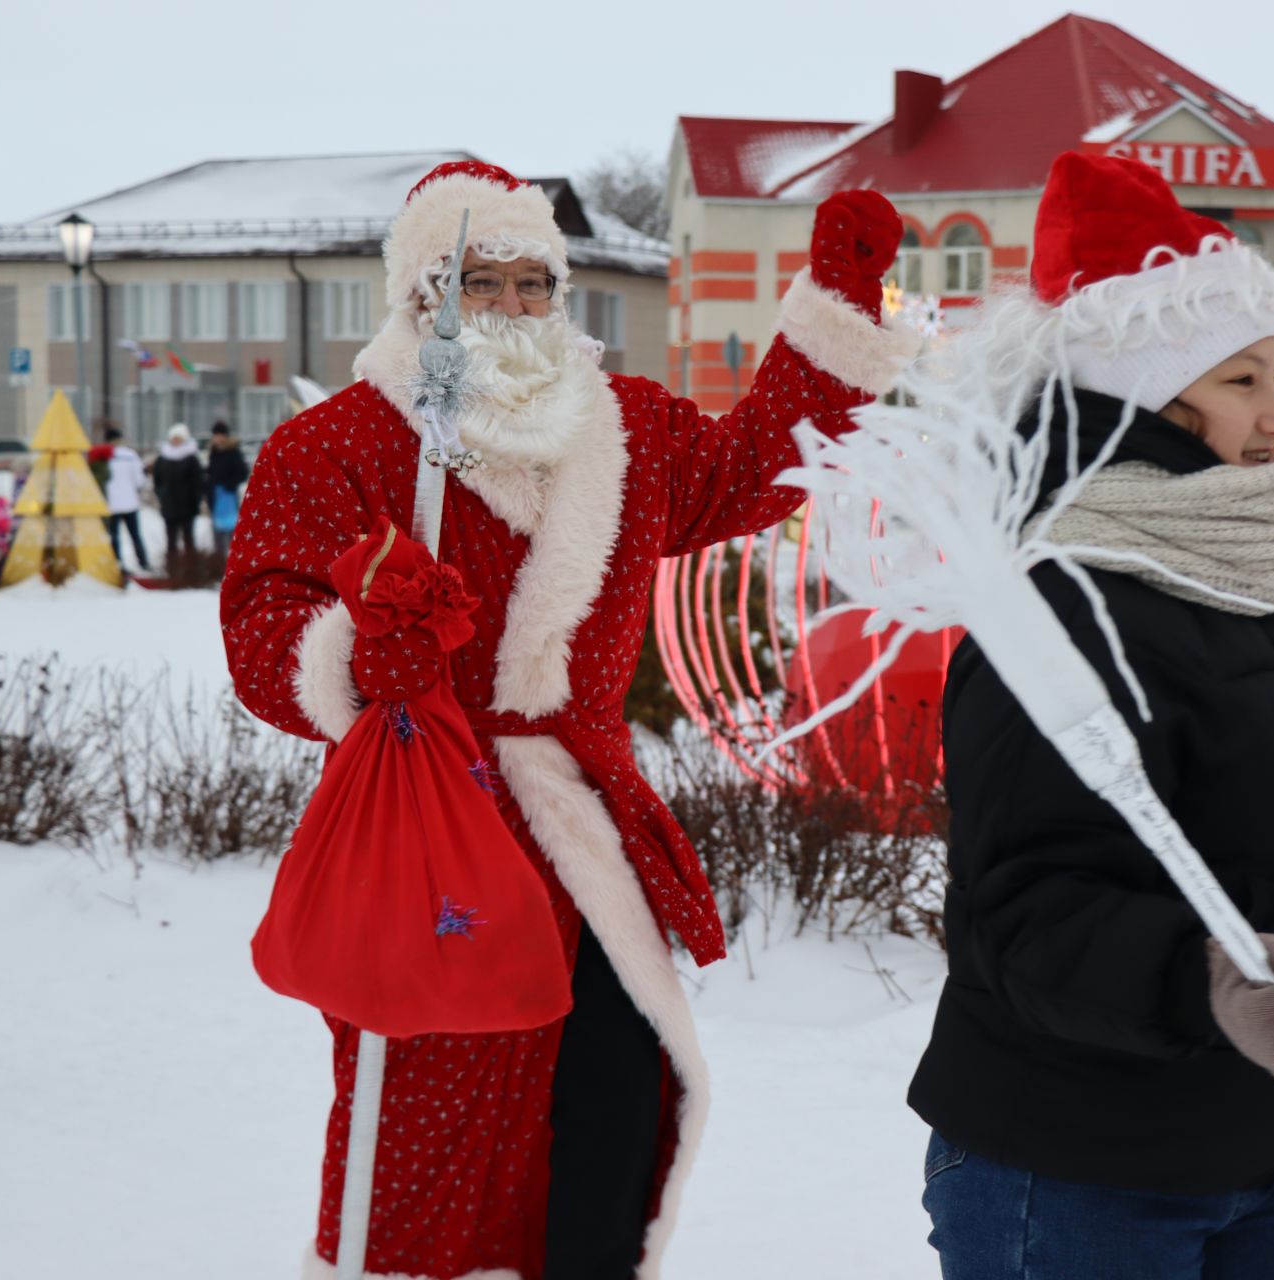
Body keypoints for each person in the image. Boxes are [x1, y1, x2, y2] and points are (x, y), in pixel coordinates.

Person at [220, 160, 913, 1279]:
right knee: (430, 1126)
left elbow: (759, 467)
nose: (506, 307)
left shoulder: (622, 429)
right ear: (418, 301)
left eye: (531, 284)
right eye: (474, 283)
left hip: (587, 838)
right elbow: (264, 618)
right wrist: (355, 655)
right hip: (435, 825)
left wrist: (835, 317)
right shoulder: (339, 446)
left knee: (608, 1109)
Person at [911, 153, 1274, 1280]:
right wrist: (1209, 982)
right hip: (1081, 1168)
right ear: (1137, 400)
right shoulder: (1065, 606)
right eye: (1242, 381)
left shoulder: (1253, 581)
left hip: (1266, 1147)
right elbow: (1024, 912)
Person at [151, 423, 204, 578]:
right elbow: (157, 480)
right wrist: (162, 495)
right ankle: (172, 572)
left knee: (188, 539)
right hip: (169, 505)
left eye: (179, 438)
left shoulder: (191, 459)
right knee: (171, 541)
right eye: (173, 438)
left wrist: (195, 501)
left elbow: (198, 483)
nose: (175, 441)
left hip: (187, 506)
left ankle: (190, 572)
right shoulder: (163, 458)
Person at [100, 427, 150, 573]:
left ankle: (117, 564)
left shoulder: (103, 457)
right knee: (135, 534)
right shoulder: (130, 455)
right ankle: (143, 563)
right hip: (130, 502)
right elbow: (140, 480)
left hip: (111, 504)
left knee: (114, 536)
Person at [205, 421, 248, 560]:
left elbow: (242, 472)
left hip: (228, 495)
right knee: (217, 532)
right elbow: (211, 473)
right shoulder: (213, 452)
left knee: (231, 531)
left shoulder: (233, 452)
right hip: (215, 495)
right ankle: (218, 564)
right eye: (216, 435)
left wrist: (229, 485)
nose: (218, 438)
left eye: (220, 435)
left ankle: (234, 561)